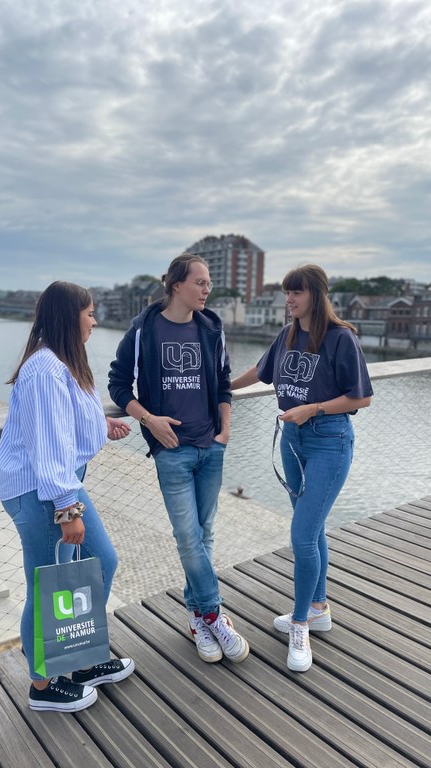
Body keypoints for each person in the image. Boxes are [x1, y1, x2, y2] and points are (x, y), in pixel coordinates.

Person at [0, 281, 135, 712]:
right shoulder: (45, 369)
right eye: (89, 313)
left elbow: (62, 422)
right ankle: (42, 684)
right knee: (47, 586)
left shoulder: (63, 362)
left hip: (58, 484)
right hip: (41, 489)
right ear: (68, 317)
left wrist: (101, 425)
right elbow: (47, 445)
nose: (95, 320)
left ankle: (76, 660)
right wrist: (66, 508)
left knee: (100, 562)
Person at [108, 253, 249, 664]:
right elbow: (119, 384)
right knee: (188, 537)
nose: (207, 290)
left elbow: (223, 383)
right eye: (200, 283)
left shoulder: (211, 328)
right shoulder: (144, 330)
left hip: (211, 446)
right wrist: (149, 420)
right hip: (171, 450)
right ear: (176, 286)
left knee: (204, 535)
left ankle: (196, 617)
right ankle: (215, 615)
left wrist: (225, 430)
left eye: (209, 283)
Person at [231, 264, 372, 672]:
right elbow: (261, 372)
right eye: (286, 293)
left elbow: (361, 397)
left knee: (302, 536)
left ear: (316, 295)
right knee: (313, 528)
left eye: (297, 292)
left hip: (329, 439)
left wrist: (313, 408)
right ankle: (318, 608)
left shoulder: (340, 338)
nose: (289, 299)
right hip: (292, 439)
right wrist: (222, 388)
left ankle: (299, 625)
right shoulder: (288, 334)